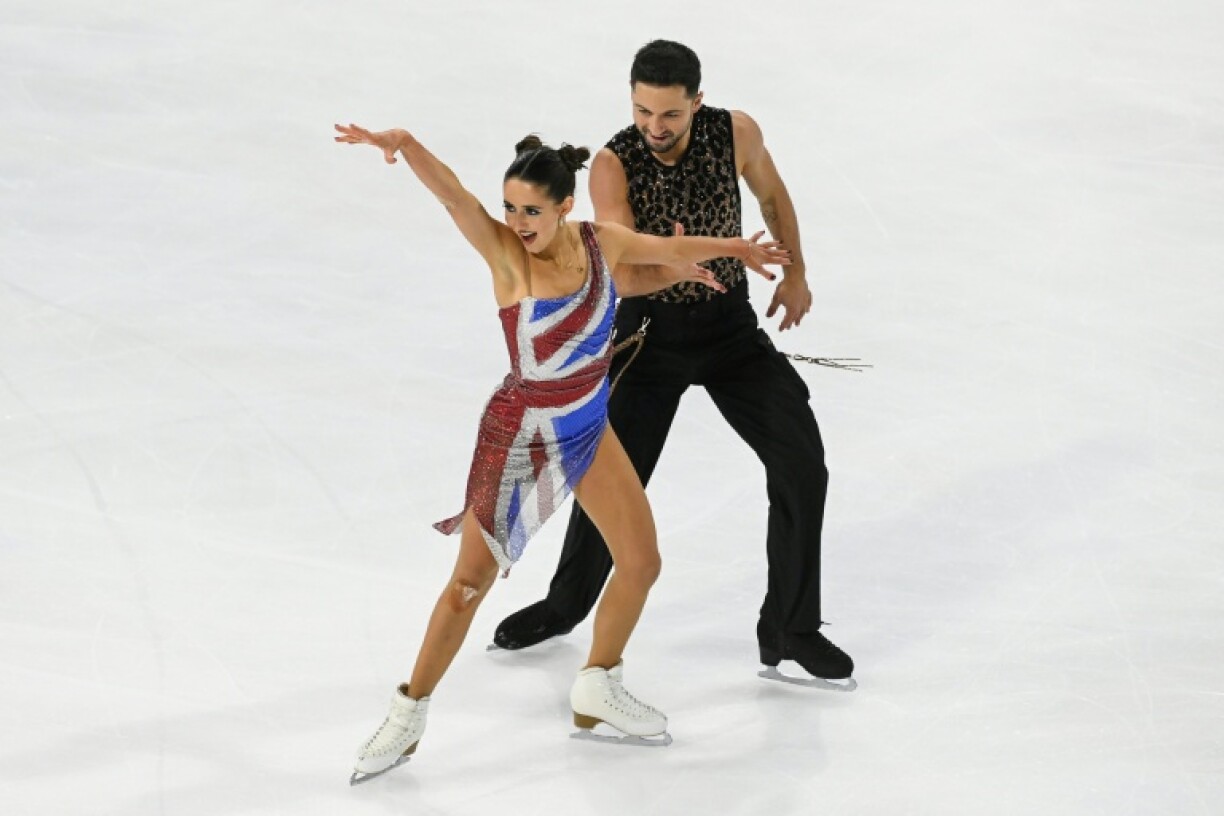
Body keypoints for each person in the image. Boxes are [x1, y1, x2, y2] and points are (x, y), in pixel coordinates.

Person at [333, 122, 788, 781]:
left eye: (531, 210)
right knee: (467, 586)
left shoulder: (597, 244)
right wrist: (404, 144)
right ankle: (408, 715)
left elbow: (648, 255)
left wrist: (728, 251)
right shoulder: (505, 257)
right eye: (512, 207)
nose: (517, 221)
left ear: (564, 207)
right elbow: (456, 198)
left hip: (585, 428)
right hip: (520, 436)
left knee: (641, 562)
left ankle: (598, 685)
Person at [493, 40, 855, 687]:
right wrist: (680, 264)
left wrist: (795, 273)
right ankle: (567, 603)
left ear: (697, 102)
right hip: (650, 338)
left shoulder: (735, 132)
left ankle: (791, 628)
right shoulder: (613, 164)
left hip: (730, 334)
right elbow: (622, 268)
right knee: (612, 480)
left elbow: (773, 198)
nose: (654, 128)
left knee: (802, 461)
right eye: (642, 112)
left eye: (669, 115)